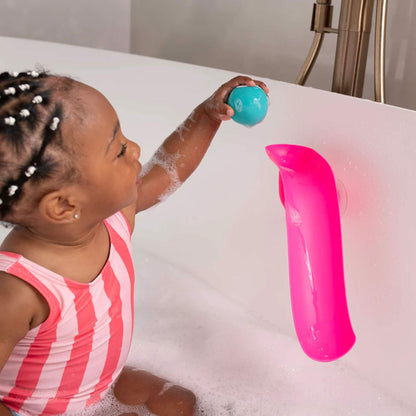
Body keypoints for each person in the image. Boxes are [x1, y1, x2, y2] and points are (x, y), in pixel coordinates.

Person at [0, 70, 269, 416]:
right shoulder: (18, 289)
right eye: (119, 150)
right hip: (33, 409)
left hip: (97, 386)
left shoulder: (110, 216)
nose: (136, 149)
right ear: (65, 205)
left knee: (181, 403)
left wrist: (207, 116)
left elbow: (166, 171)